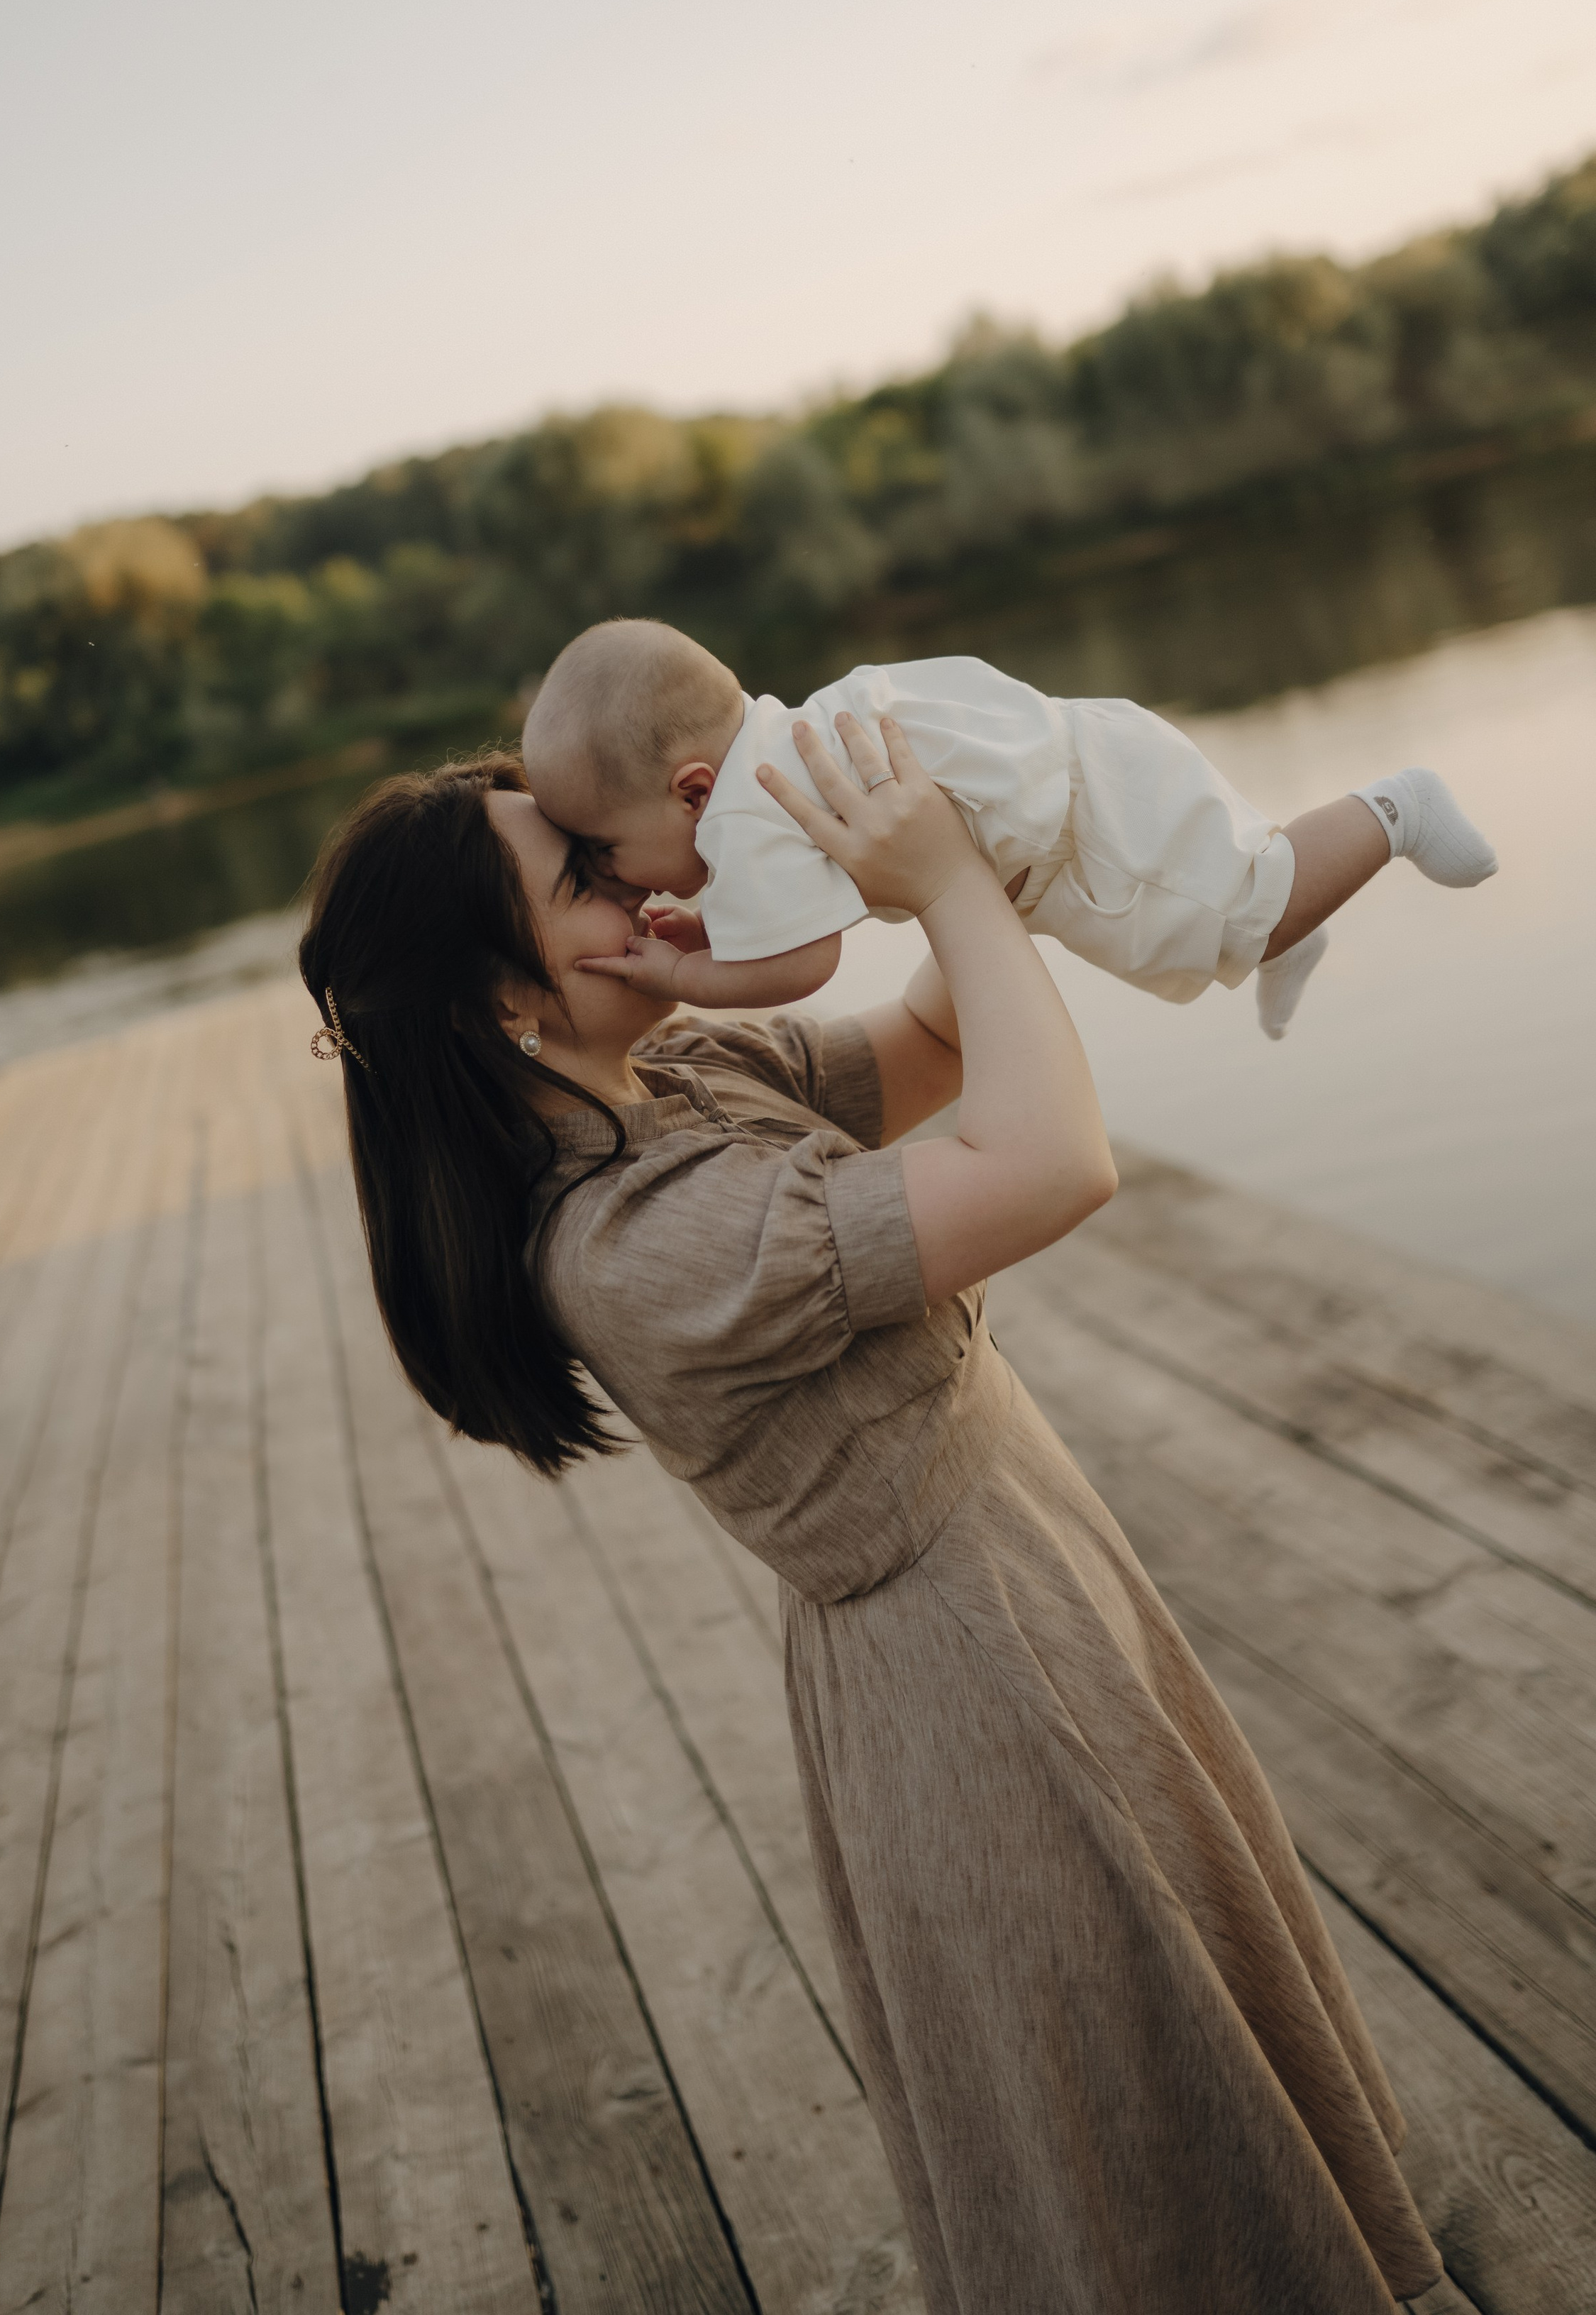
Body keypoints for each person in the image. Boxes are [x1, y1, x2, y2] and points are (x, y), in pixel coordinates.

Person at [298, 728, 1443, 2312]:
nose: (645, 886)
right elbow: (1052, 1163)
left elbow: (933, 1036)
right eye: (587, 879)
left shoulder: (677, 1081)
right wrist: (952, 886)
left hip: (1028, 1572)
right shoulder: (634, 1237)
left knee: (1184, 2016)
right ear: (502, 1000)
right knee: (1133, 2087)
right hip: (971, 1675)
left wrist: (924, 852)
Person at [518, 617, 1497, 1039]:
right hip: (1081, 775)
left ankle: (1397, 808)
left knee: (1248, 910)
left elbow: (804, 963)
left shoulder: (747, 808)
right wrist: (718, 932)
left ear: (691, 793)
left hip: (1086, 819)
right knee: (1208, 925)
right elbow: (790, 919)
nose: (620, 881)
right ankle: (1292, 925)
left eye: (605, 852)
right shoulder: (785, 741)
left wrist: (683, 976)